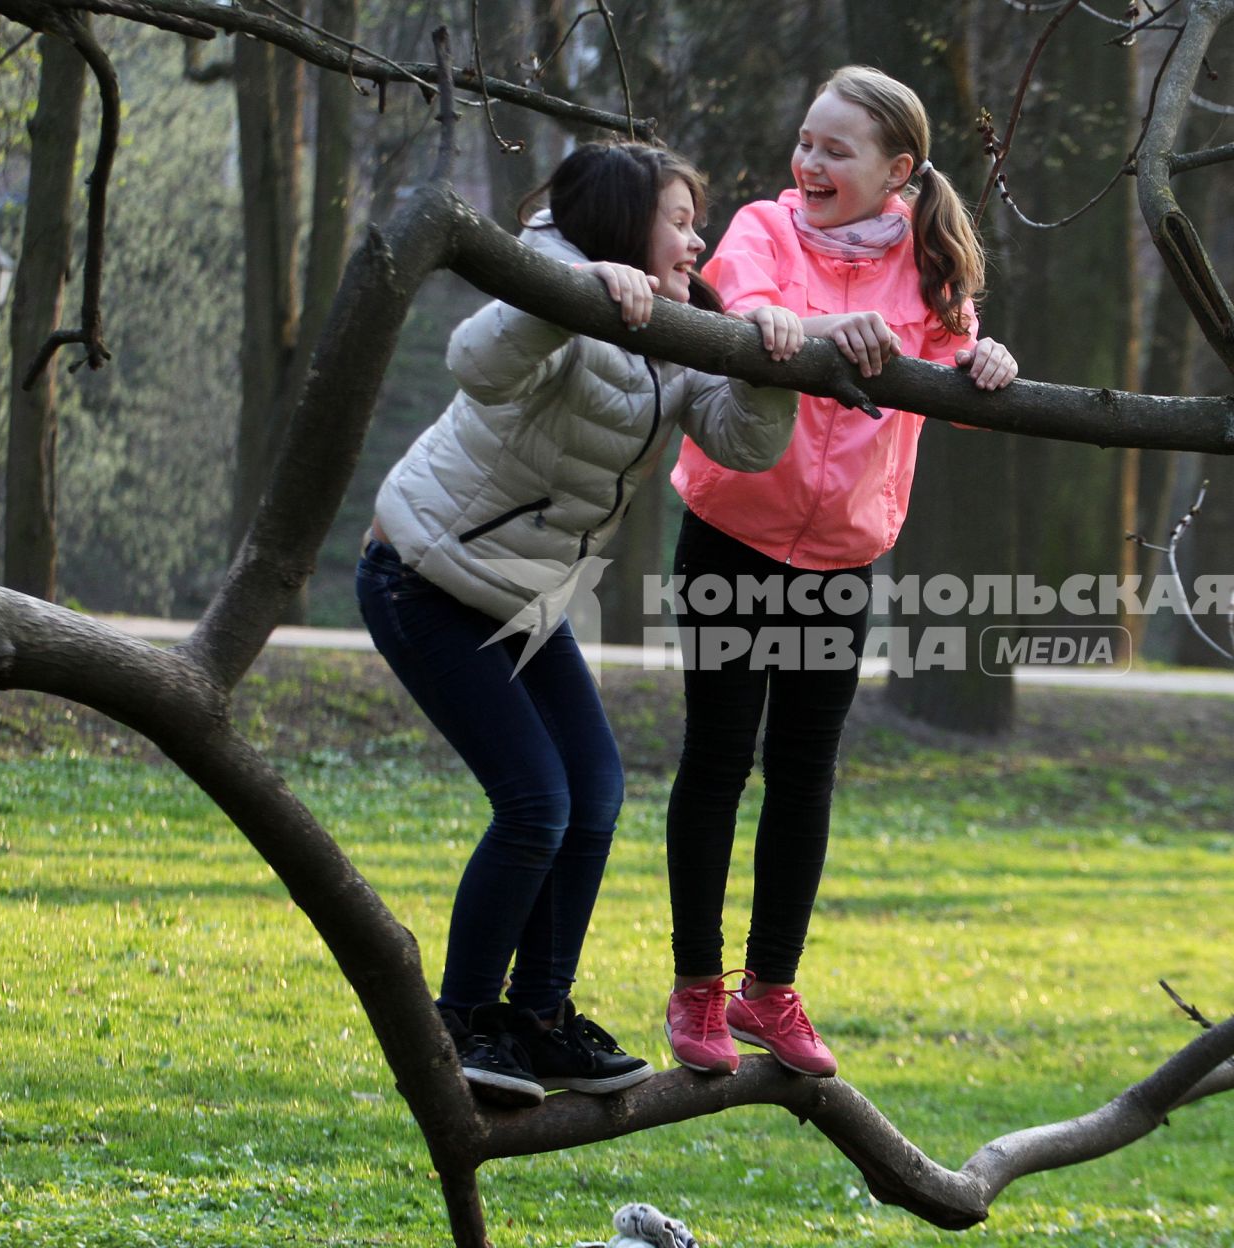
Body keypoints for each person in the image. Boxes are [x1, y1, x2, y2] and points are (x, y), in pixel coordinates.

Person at [357, 141, 801, 1107]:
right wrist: (568, 294)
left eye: (698, 221)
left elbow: (742, 441)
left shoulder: (680, 325)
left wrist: (768, 364)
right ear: (621, 222)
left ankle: (540, 1019)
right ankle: (465, 1020)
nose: (700, 240)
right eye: (679, 221)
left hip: (523, 597)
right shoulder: (555, 277)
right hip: (425, 576)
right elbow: (473, 361)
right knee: (537, 804)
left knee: (594, 792)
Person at [663, 65, 1019, 1078]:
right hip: (734, 535)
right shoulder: (764, 229)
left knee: (805, 774)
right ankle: (697, 989)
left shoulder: (928, 259)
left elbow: (952, 382)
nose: (808, 163)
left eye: (836, 150)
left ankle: (770, 991)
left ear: (895, 170)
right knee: (720, 758)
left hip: (842, 561)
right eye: (806, 141)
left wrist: (985, 365)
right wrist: (823, 331)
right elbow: (744, 314)